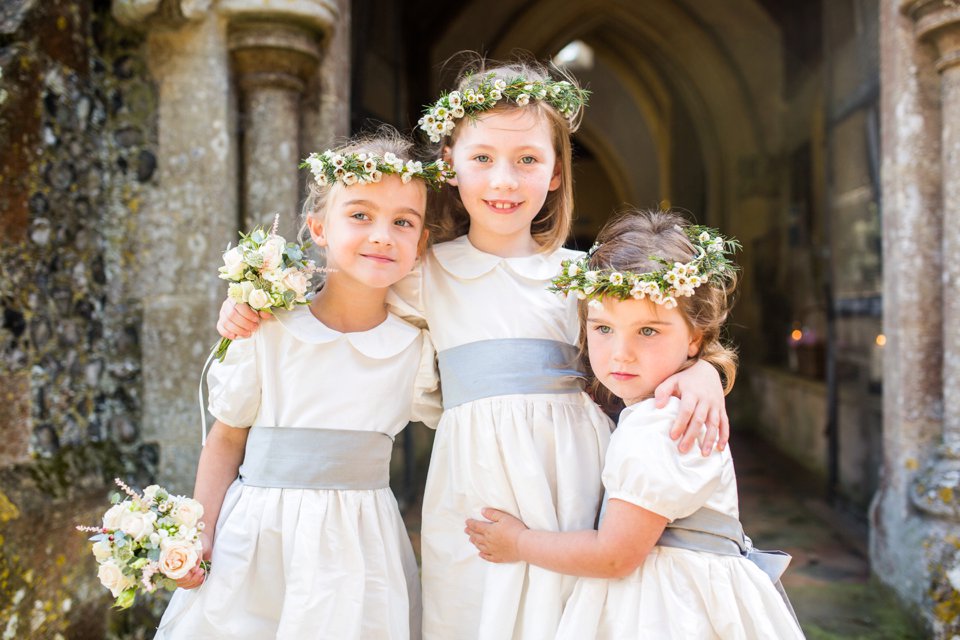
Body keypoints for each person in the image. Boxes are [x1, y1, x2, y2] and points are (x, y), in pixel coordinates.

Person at [216, 55, 730, 640]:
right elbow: (342, 296)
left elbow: (656, 337)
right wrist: (255, 304)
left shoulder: (585, 277)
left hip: (571, 474)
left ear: (556, 173)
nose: (503, 180)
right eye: (482, 159)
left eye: (527, 161)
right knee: (469, 611)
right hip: (472, 479)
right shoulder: (424, 272)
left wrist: (703, 371)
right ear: (451, 168)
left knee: (570, 614)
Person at [154, 130, 449, 640]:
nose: (383, 235)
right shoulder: (267, 328)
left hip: (359, 550)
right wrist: (201, 534)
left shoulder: (415, 347)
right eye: (360, 215)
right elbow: (225, 439)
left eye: (403, 222)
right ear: (318, 228)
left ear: (420, 244)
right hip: (260, 542)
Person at [465, 209, 805, 640]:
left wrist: (519, 543)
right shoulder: (661, 408)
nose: (621, 353)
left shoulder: (659, 425)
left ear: (695, 338)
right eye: (604, 328)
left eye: (648, 331)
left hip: (667, 610)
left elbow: (614, 556)